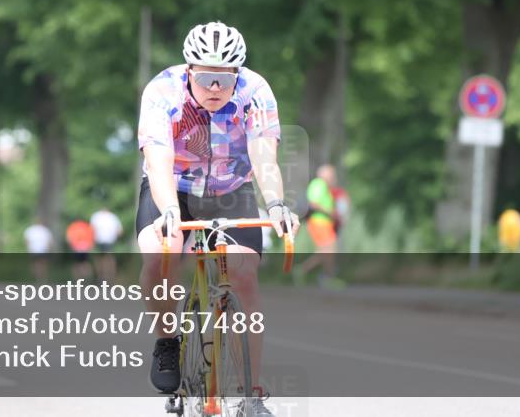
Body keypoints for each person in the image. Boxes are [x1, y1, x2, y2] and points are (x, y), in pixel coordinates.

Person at [135, 21, 300, 416]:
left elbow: (264, 157)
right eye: (207, 78)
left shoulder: (255, 92)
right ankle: (166, 342)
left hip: (231, 190)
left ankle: (251, 395)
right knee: (160, 255)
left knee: (244, 274)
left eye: (224, 80)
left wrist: (276, 203)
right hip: (173, 187)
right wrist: (170, 211)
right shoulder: (162, 91)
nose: (215, 88)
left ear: (237, 75)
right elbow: (157, 161)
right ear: (189, 70)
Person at [297, 166, 339, 286]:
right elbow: (314, 203)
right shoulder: (319, 184)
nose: (333, 178)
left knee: (325, 251)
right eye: (332, 175)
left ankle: (303, 270)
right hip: (319, 222)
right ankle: (328, 279)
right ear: (325, 175)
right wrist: (329, 213)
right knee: (329, 250)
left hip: (323, 222)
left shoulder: (323, 186)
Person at [90, 205, 123, 283]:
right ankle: (103, 277)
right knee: (105, 258)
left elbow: (119, 231)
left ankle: (107, 277)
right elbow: (119, 231)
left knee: (106, 258)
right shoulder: (109, 217)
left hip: (107, 240)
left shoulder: (100, 216)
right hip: (102, 240)